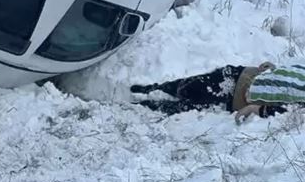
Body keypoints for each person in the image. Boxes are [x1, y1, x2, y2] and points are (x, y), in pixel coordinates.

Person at [130, 62, 305, 122]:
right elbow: (291, 77)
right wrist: (272, 68)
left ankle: (144, 106)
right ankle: (154, 88)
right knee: (187, 85)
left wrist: (254, 109)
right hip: (241, 73)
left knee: (188, 103)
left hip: (235, 95)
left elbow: (289, 111)